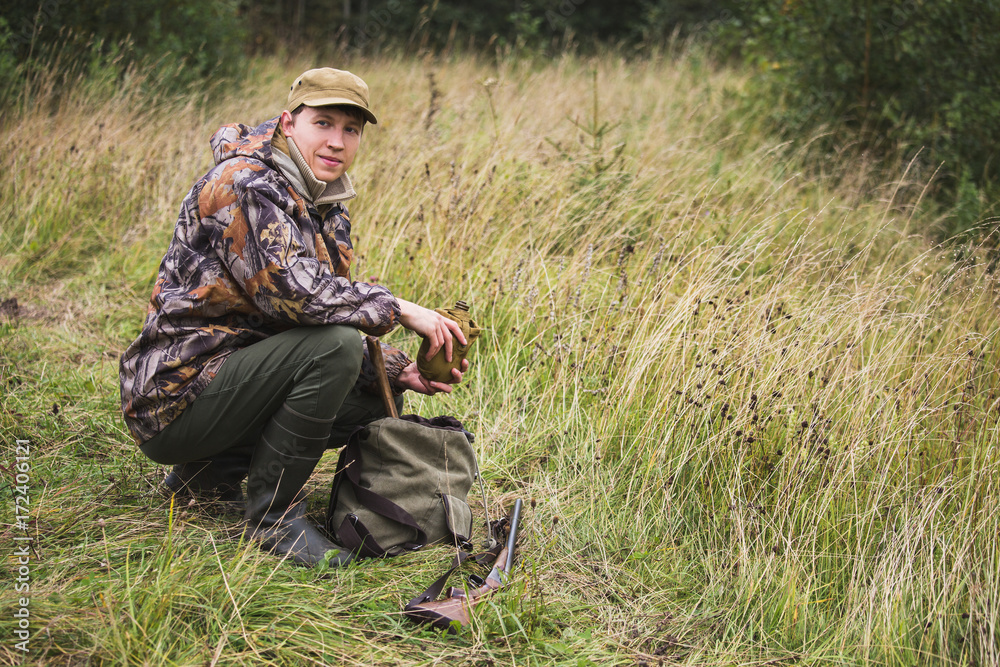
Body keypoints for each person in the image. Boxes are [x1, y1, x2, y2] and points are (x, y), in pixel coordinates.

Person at [119, 67, 467, 568]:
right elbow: (291, 296)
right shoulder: (243, 183)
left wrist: (397, 371)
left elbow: (319, 313)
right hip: (174, 395)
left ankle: (205, 479)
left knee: (367, 396)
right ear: (288, 122)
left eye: (351, 130)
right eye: (323, 123)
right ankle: (275, 520)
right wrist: (399, 309)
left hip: (226, 379)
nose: (336, 141)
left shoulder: (322, 200)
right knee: (338, 350)